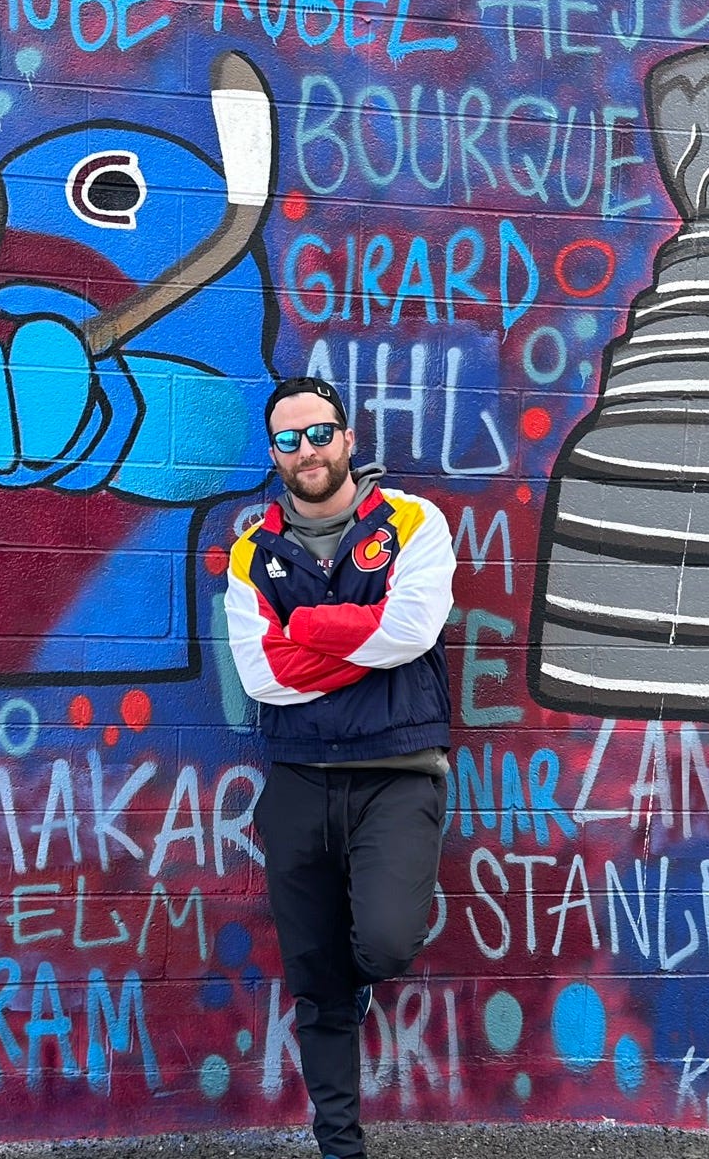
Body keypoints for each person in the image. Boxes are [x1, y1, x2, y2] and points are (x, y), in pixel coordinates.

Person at [224, 375, 455, 1159]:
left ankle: (354, 978)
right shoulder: (253, 553)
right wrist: (366, 635)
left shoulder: (415, 522)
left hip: (399, 773)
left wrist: (310, 626)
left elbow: (413, 630)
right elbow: (261, 676)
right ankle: (340, 1146)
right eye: (289, 440)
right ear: (273, 454)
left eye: (320, 433)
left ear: (349, 438)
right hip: (297, 780)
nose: (307, 451)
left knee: (384, 945)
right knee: (314, 983)